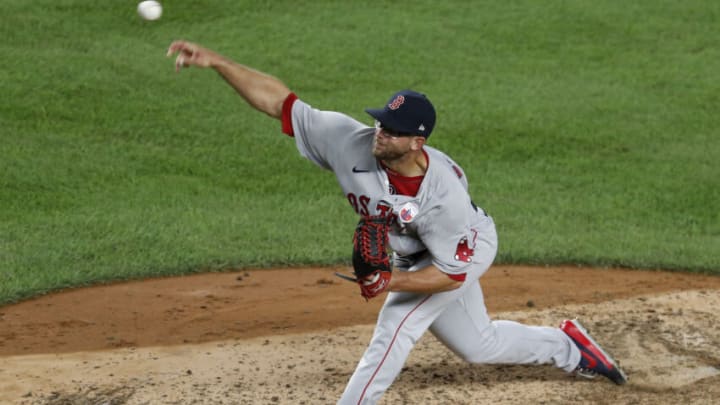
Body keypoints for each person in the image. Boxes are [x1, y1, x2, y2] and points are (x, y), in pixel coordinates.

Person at [166, 40, 628, 404]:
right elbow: (280, 103)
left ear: (416, 143)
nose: (379, 132)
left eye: (391, 130)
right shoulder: (348, 140)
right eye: (381, 122)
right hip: (417, 253)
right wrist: (216, 62)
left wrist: (388, 283)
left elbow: (450, 274)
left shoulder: (444, 196)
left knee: (396, 327)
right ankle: (570, 348)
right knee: (479, 346)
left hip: (459, 250)